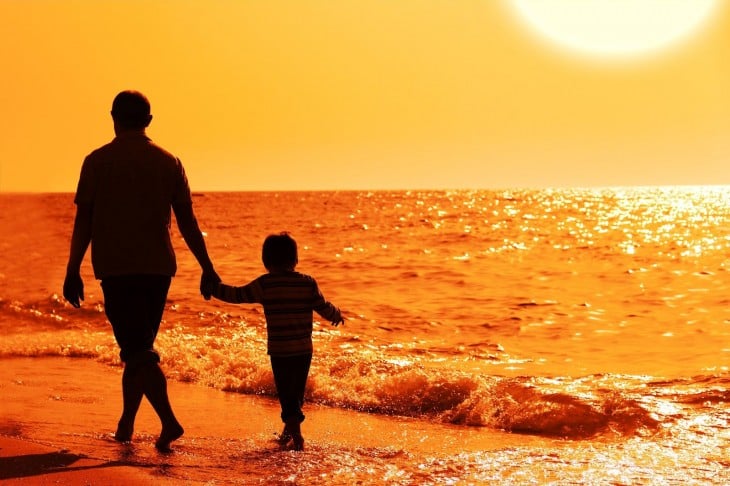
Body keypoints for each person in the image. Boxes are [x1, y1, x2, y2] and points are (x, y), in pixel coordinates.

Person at [63, 90, 220, 452]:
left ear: (113, 116)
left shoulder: (97, 162)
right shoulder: (169, 161)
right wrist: (207, 267)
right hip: (158, 270)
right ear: (148, 121)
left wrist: (73, 269)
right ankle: (126, 425)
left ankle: (169, 422)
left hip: (118, 270)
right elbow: (188, 223)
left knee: (137, 350)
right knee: (139, 348)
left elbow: (83, 221)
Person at [203, 232, 344, 451]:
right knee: (296, 392)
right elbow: (322, 306)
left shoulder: (265, 284)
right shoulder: (307, 283)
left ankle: (296, 435)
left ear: (266, 261)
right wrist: (336, 315)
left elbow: (236, 295)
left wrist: (213, 288)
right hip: (303, 350)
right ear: (295, 259)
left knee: (286, 392)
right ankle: (289, 431)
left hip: (280, 351)